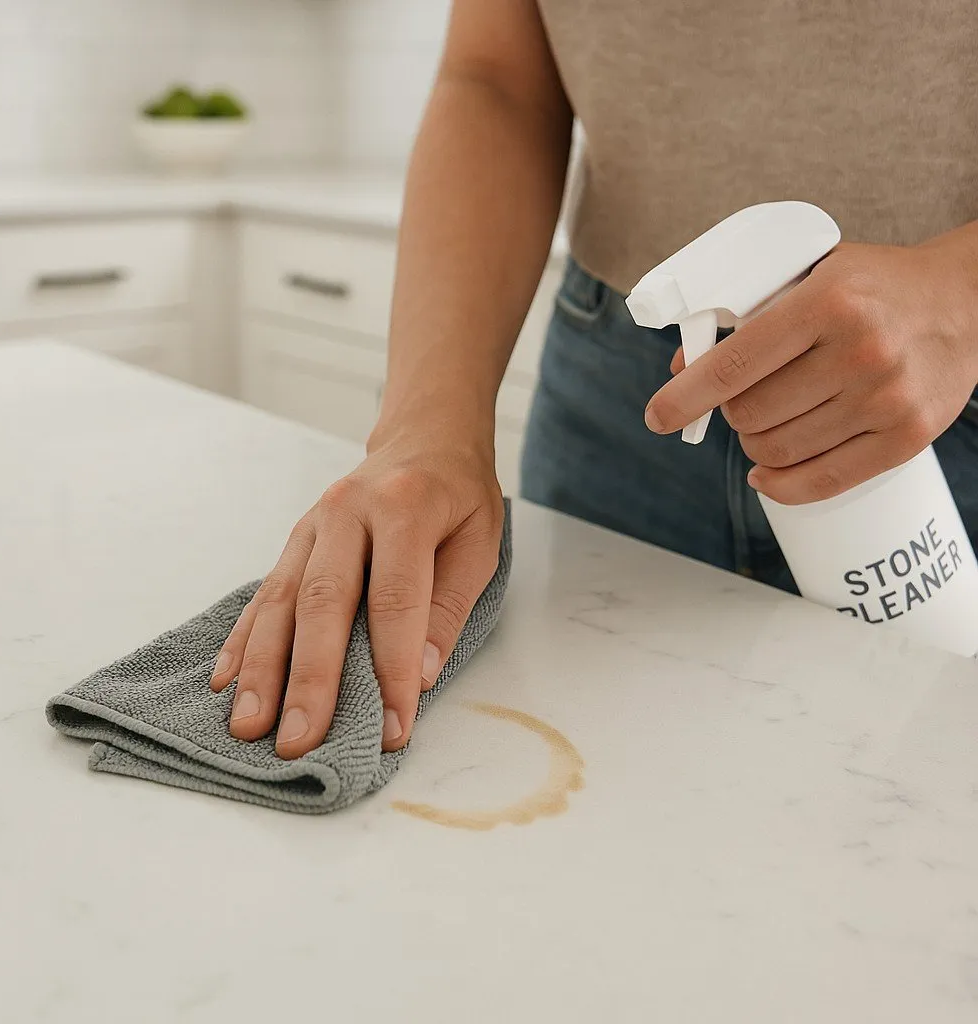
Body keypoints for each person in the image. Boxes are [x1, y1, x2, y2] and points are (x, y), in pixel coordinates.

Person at [210, 0, 978, 756]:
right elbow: (496, 78)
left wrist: (962, 293)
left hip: (940, 384)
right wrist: (424, 429)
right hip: (618, 395)